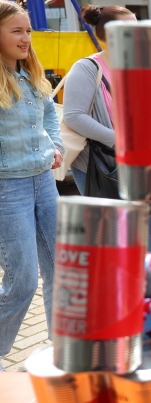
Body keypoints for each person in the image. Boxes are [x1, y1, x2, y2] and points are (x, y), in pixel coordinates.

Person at [65, 6, 151, 254]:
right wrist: (119, 140)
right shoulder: (87, 68)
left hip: (145, 161)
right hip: (103, 164)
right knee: (114, 235)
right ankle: (122, 277)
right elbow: (74, 116)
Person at [0, 2, 63, 372]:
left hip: (44, 182)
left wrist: (56, 145)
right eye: (17, 31)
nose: (26, 38)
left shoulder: (32, 73)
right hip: (8, 190)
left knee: (62, 268)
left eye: (28, 31)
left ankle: (63, 350)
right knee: (22, 279)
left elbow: (50, 112)